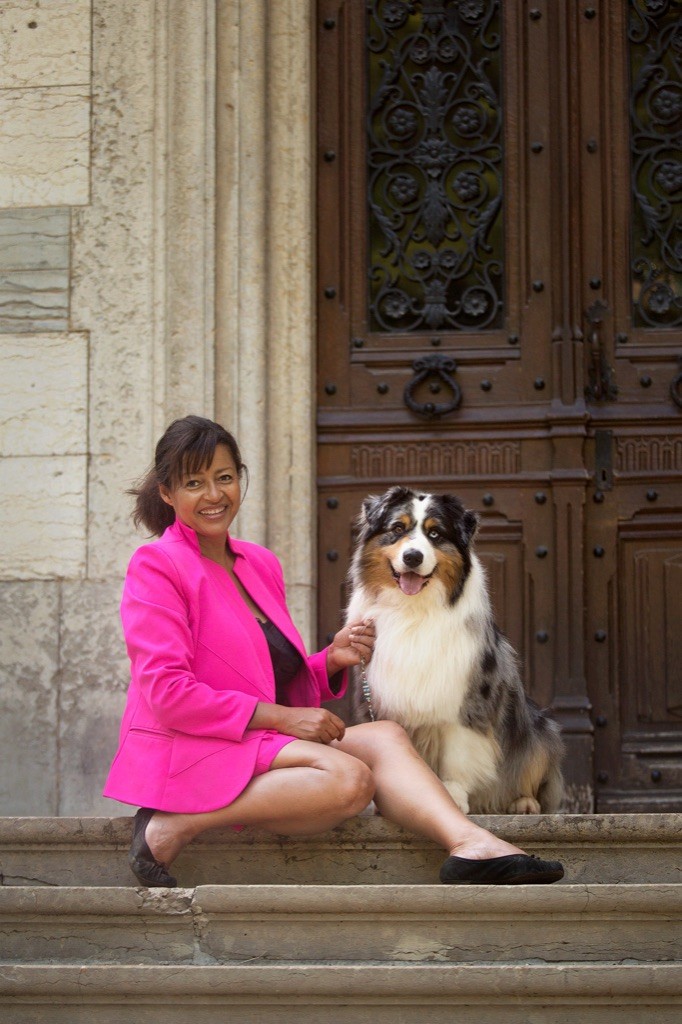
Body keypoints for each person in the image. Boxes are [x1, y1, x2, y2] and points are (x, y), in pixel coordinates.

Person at [104, 415, 565, 887]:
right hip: (195, 747)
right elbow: (167, 694)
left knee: (386, 736)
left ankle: (470, 844)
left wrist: (330, 661)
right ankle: (173, 824)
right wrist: (283, 719)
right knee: (349, 780)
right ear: (166, 493)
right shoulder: (156, 565)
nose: (214, 495)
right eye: (194, 483)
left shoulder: (258, 563)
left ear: (241, 478)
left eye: (224, 478)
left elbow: (263, 678)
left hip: (250, 740)